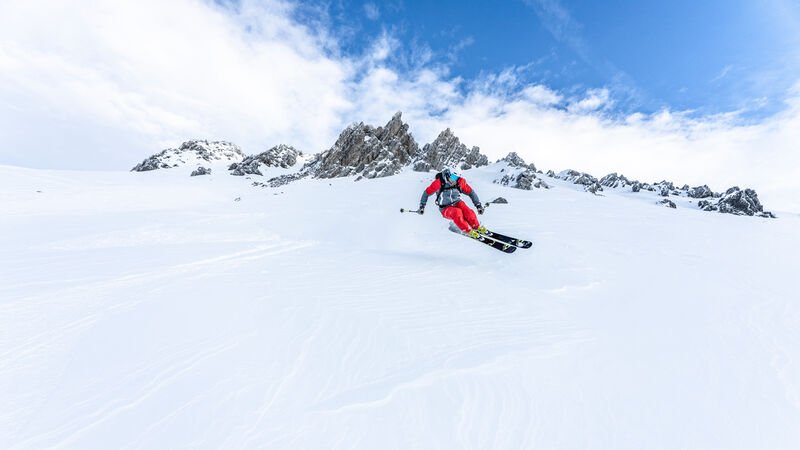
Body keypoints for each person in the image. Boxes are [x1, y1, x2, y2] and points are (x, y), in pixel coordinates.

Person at [419, 168, 487, 238]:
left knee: (468, 211)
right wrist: (422, 206)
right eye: (453, 177)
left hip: (457, 202)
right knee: (457, 212)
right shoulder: (439, 183)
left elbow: (471, 192)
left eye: (457, 177)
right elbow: (426, 193)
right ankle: (467, 230)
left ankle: (476, 226)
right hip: (445, 208)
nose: (455, 179)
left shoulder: (460, 182)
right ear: (448, 175)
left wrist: (478, 205)